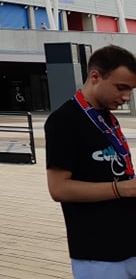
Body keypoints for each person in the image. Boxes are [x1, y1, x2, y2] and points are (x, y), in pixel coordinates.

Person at [45, 44, 136, 277]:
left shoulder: (106, 118)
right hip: (98, 253)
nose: (126, 97)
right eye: (121, 88)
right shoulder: (64, 121)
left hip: (128, 243)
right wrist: (121, 189)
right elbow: (59, 188)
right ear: (95, 76)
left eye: (131, 90)